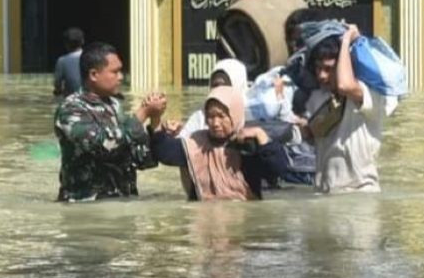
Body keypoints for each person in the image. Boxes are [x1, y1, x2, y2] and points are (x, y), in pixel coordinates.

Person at [55, 42, 166, 202]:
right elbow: (104, 145)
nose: (121, 77)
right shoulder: (70, 109)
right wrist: (143, 113)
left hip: (123, 206)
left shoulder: (114, 105)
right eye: (115, 72)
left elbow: (142, 160)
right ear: (94, 75)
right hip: (85, 209)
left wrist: (155, 121)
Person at [152, 87, 289, 201]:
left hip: (242, 224)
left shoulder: (247, 145)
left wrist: (261, 135)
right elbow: (164, 152)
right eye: (210, 117)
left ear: (234, 115)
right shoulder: (196, 144)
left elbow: (277, 170)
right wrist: (155, 118)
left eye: (221, 116)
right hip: (205, 220)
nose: (216, 123)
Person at [304, 24, 383, 193]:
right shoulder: (317, 98)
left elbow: (345, 85)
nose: (321, 75)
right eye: (318, 68)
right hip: (325, 191)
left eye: (328, 69)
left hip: (360, 192)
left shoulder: (368, 95)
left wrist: (346, 40)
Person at [179, 58, 248, 138]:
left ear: (237, 86)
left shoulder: (253, 116)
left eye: (224, 86)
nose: (215, 123)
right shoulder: (200, 117)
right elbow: (181, 143)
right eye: (215, 86)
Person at [52, 27, 85, 97]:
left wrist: (58, 91)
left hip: (72, 99)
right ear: (83, 41)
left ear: (66, 44)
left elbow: (57, 84)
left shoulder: (62, 61)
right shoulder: (90, 57)